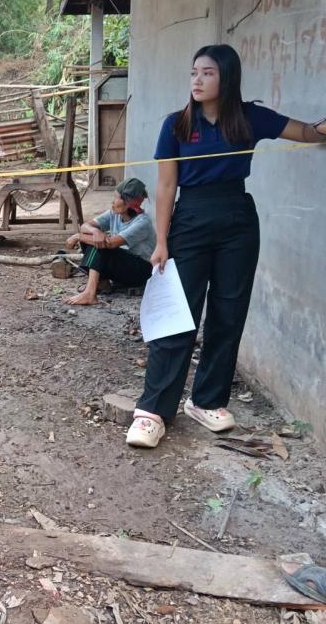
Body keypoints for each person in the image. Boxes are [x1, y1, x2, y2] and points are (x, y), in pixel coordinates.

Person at [127, 43, 326, 448]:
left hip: (237, 219)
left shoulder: (250, 118)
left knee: (229, 312)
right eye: (194, 72)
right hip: (190, 220)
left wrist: (321, 129)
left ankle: (207, 400)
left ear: (227, 77)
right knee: (179, 314)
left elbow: (306, 132)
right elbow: (165, 186)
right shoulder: (177, 124)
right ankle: (152, 411)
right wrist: (161, 240)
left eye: (208, 73)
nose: (197, 80)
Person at [64, 177, 156, 306]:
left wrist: (78, 236)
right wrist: (95, 231)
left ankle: (90, 293)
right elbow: (85, 226)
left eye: (116, 198)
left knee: (100, 244)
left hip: (141, 271)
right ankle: (102, 283)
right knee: (92, 237)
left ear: (127, 203)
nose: (112, 202)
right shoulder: (114, 213)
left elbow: (110, 243)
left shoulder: (142, 223)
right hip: (123, 265)